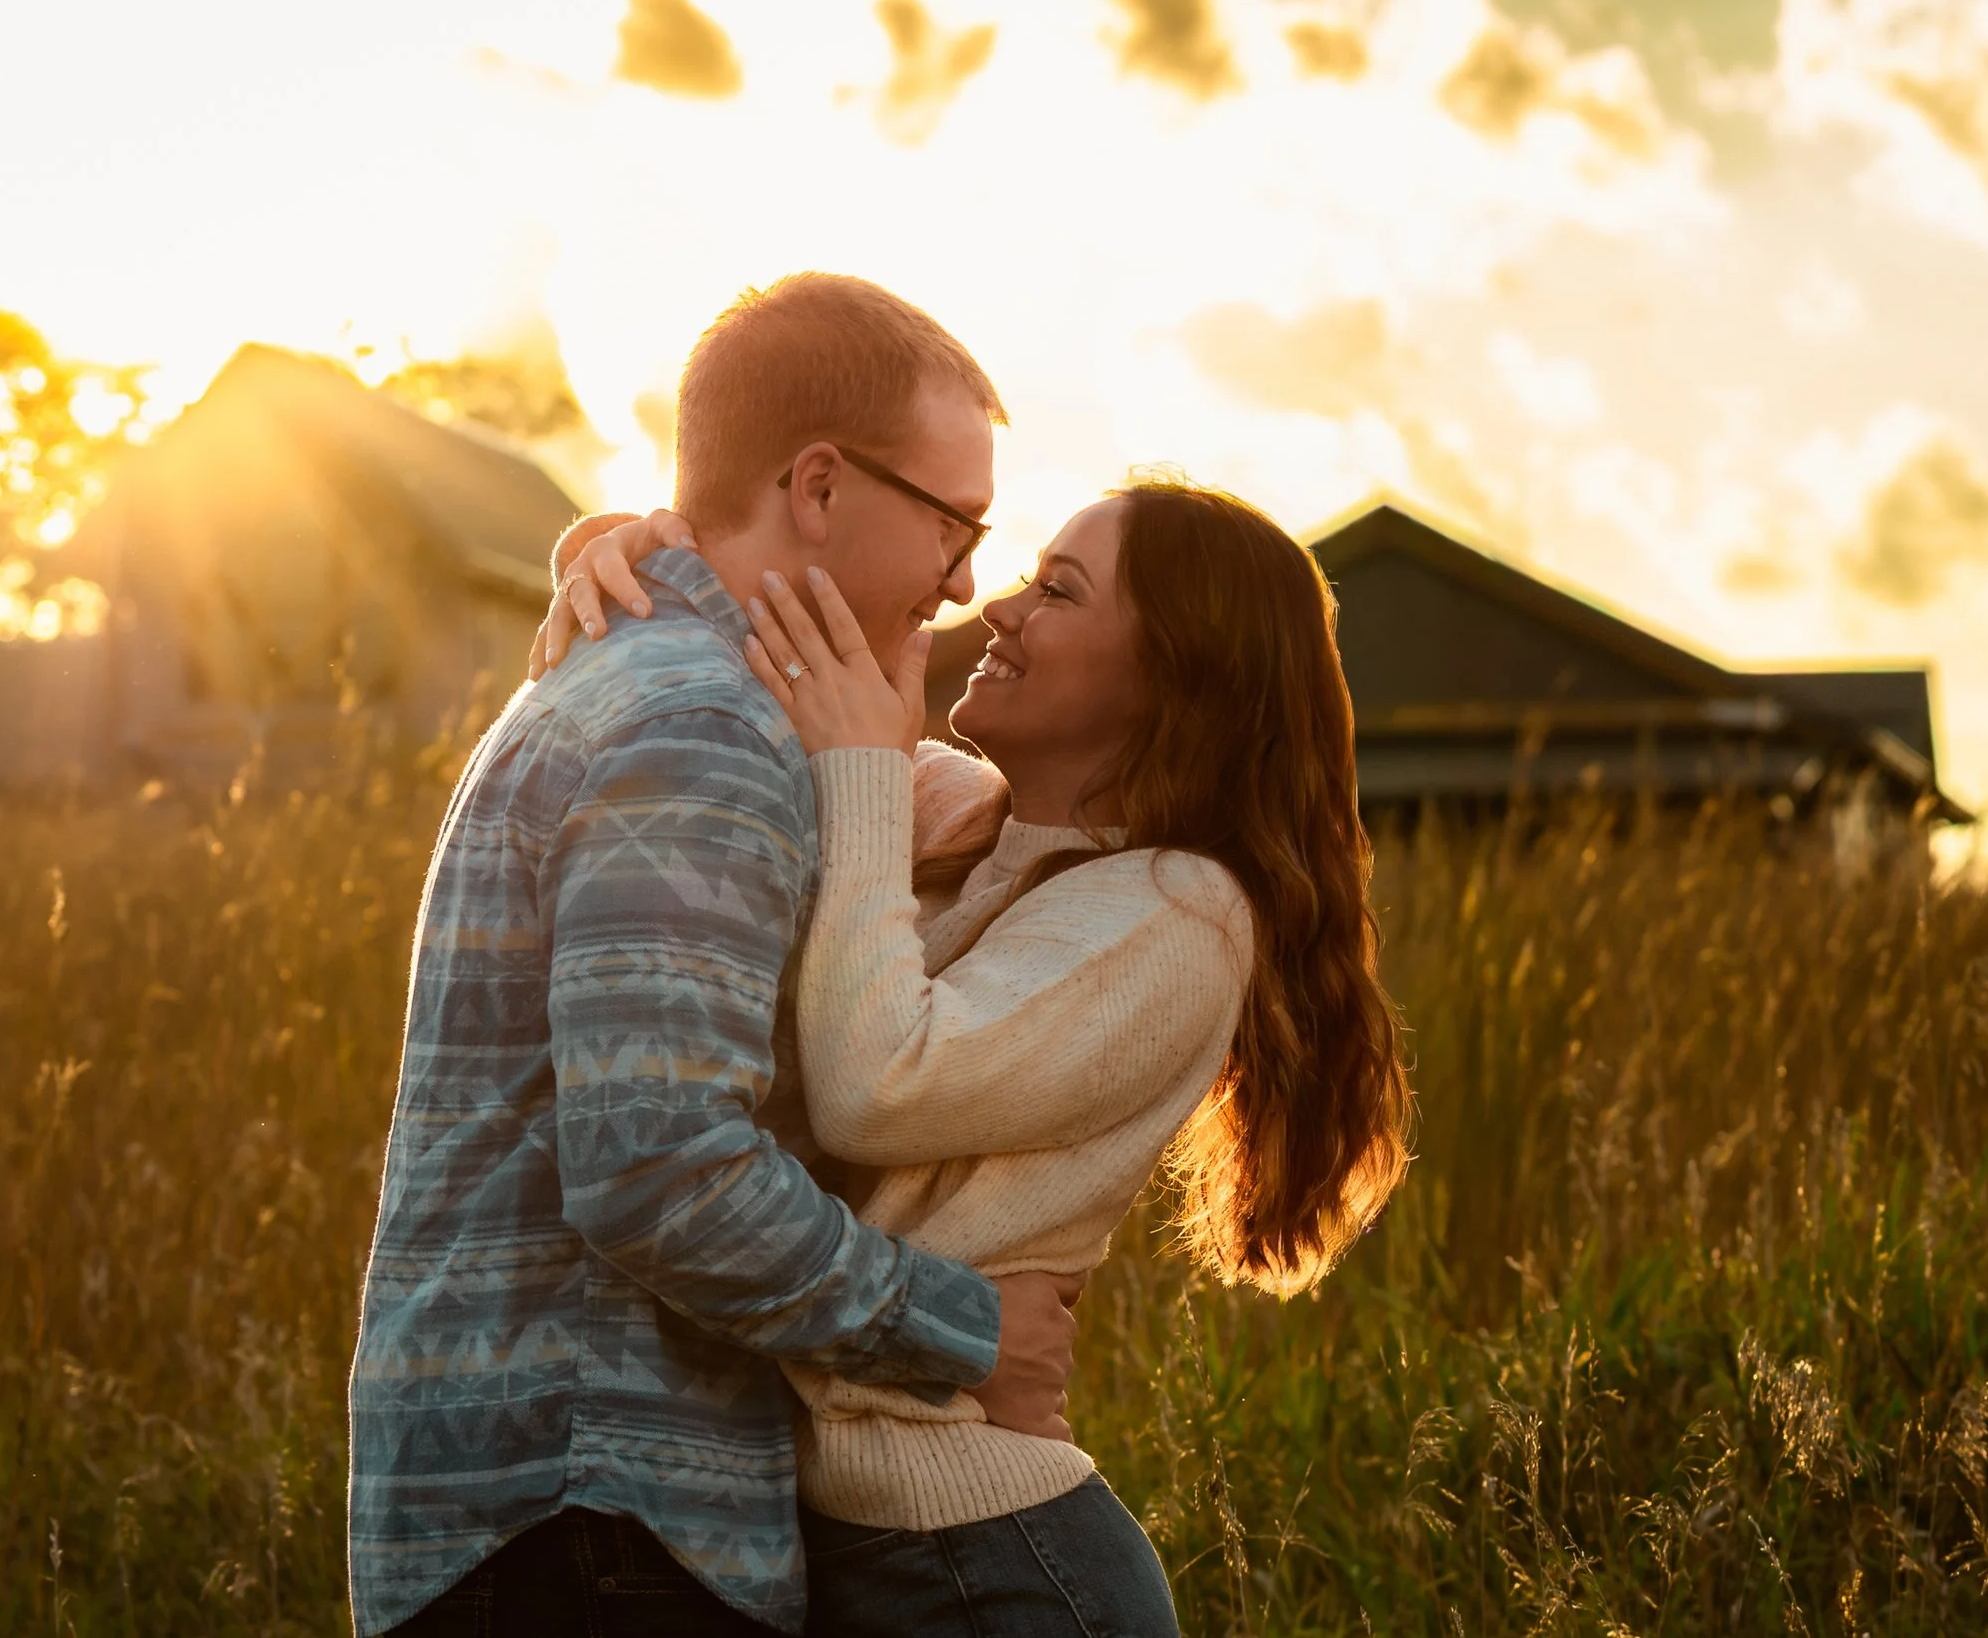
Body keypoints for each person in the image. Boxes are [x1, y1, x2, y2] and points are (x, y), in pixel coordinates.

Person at [348, 273, 1091, 1638]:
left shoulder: (650, 684)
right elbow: (657, 1166)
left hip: (560, 1515)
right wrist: (966, 1329)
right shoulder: (699, 730)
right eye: (953, 520)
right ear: (817, 483)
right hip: (599, 1522)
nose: (970, 577)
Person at [540, 479, 1415, 1636]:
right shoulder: (971, 824)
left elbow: (872, 1083)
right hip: (865, 1542)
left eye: (1056, 591)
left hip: (989, 1568)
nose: (995, 608)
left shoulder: (1180, 911)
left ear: (1171, 673)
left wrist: (858, 766)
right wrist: (618, 546)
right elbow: (784, 661)